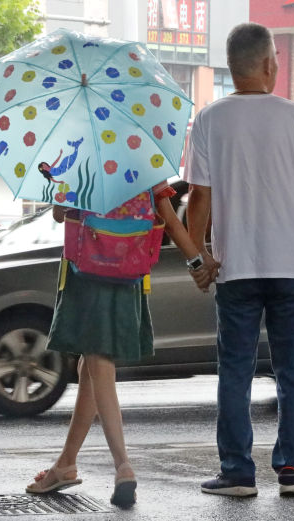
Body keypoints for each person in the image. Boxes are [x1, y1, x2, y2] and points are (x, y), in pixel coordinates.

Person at [184, 22, 294, 498]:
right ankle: (291, 470)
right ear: (269, 64)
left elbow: (199, 199)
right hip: (293, 266)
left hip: (236, 266)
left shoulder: (209, 120)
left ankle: (237, 471)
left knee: (236, 369)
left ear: (231, 66)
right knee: (292, 370)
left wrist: (201, 254)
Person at [25, 180, 217, 507]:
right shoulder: (143, 159)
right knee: (90, 366)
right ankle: (66, 464)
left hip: (87, 271)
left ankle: (123, 466)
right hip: (129, 272)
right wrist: (197, 263)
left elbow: (59, 214)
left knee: (99, 365)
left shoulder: (79, 156)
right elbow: (168, 218)